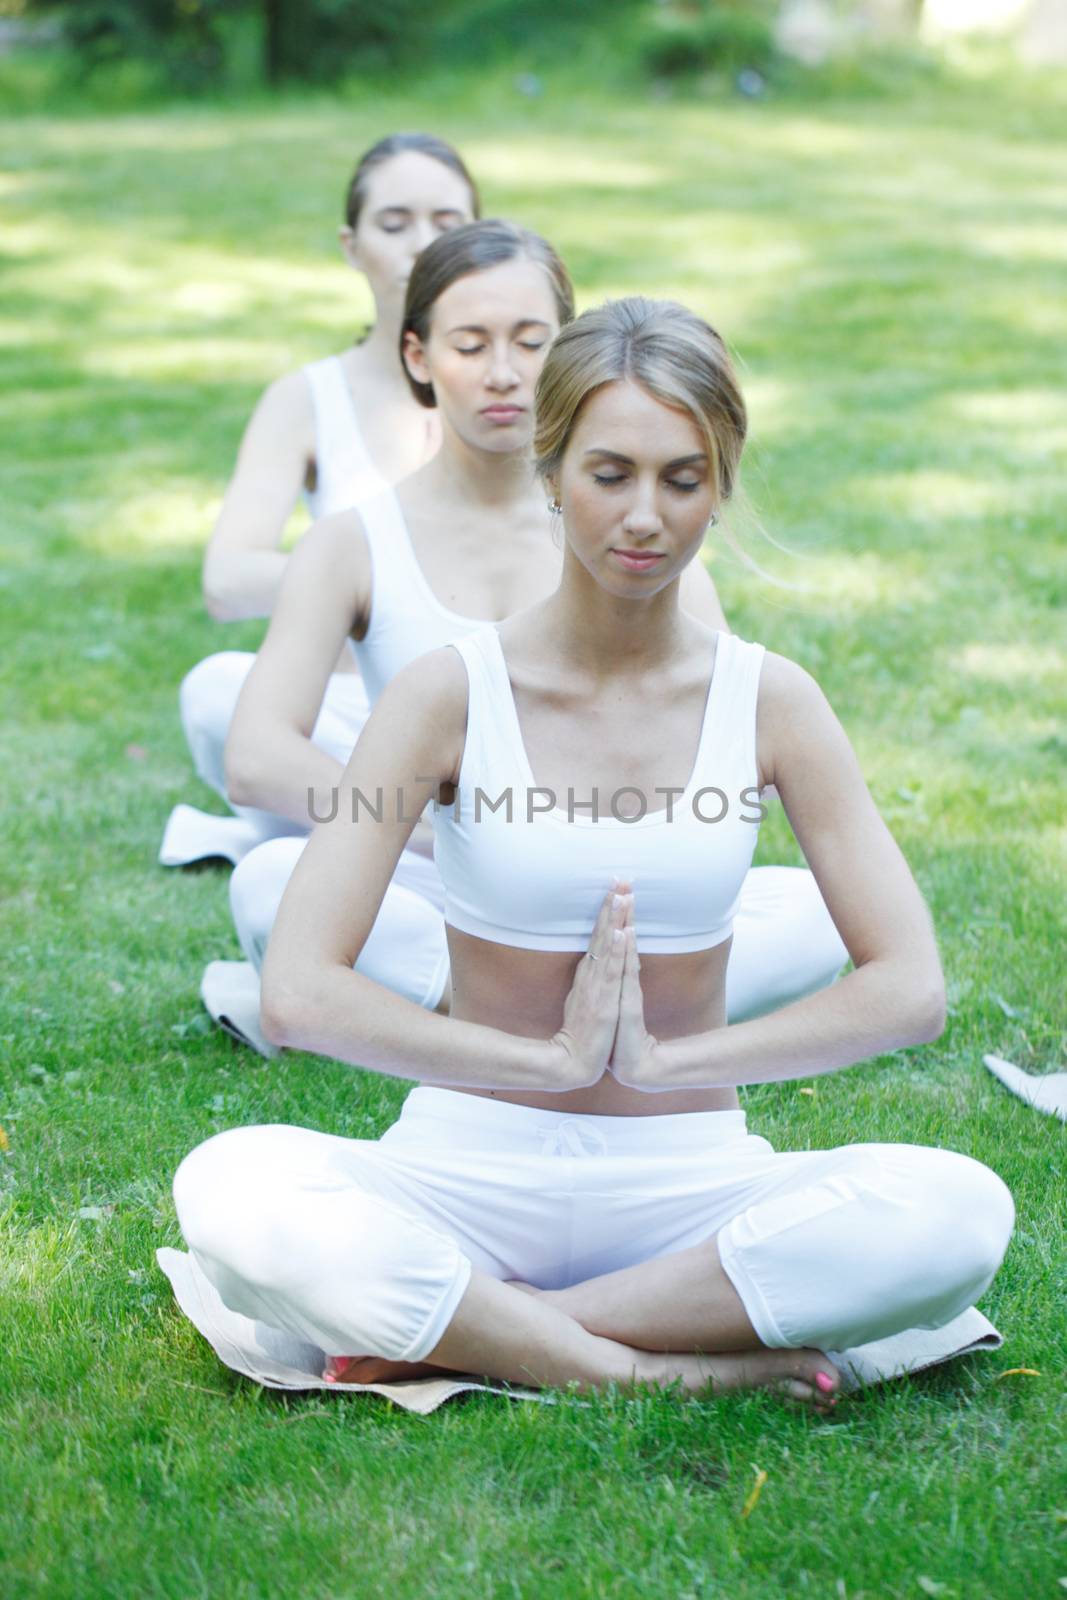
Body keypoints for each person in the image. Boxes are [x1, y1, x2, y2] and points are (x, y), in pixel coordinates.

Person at [172, 298, 1014, 1404]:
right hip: (461, 1163)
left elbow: (908, 988)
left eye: (682, 477)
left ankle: (498, 1332)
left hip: (688, 1180)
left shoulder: (770, 701)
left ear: (720, 486)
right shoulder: (445, 696)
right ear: (551, 467)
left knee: (956, 1212)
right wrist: (549, 1064)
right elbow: (296, 990)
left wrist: (669, 1064)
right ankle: (647, 1374)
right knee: (230, 1186)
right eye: (609, 472)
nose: (644, 517)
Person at [218, 225, 843, 1040]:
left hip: (627, 885)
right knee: (268, 878)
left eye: (530, 342)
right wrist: (433, 822)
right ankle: (535, 1017)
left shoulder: (630, 527)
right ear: (417, 358)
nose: (504, 374)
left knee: (813, 912)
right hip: (440, 881)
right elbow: (255, 754)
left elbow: (723, 726)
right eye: (471, 345)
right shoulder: (353, 541)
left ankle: (590, 1009)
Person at [160, 133, 480, 868]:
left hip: (486, 716)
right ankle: (413, 847)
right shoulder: (307, 397)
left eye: (446, 222)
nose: (421, 245)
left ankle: (355, 852)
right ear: (352, 245)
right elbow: (227, 579)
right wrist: (379, 580)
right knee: (218, 692)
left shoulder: (517, 392)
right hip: (350, 709)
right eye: (393, 223)